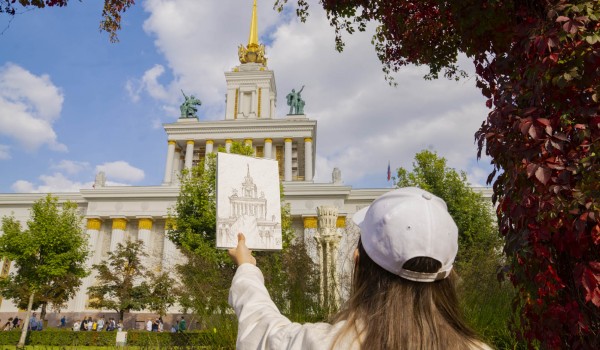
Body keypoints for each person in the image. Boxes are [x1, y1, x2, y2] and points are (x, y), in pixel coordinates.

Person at [228, 187, 492, 350]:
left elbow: (260, 329)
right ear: (449, 274)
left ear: (357, 262)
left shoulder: (323, 344)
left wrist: (247, 268)